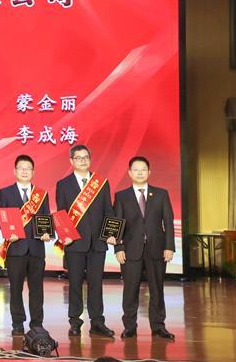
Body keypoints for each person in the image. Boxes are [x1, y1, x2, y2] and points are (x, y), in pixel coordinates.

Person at [55, 144, 116, 338]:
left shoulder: (101, 183)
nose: (83, 161)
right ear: (71, 161)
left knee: (96, 284)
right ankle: (75, 322)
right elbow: (61, 213)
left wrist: (110, 234)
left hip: (98, 243)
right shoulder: (63, 184)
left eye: (86, 157)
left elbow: (108, 211)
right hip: (74, 243)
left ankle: (97, 322)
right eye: (78, 158)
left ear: (90, 159)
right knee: (74, 284)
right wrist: (64, 235)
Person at [114, 156, 176, 340]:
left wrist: (169, 246)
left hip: (157, 249)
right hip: (130, 250)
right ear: (129, 173)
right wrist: (118, 248)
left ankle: (158, 327)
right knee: (130, 290)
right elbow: (117, 224)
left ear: (149, 172)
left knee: (157, 289)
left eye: (143, 169)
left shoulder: (161, 194)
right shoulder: (121, 196)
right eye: (136, 170)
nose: (140, 173)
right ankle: (129, 327)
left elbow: (168, 222)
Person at [0, 154, 51, 336]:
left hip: (36, 248)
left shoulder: (41, 194)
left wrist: (47, 233)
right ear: (15, 171)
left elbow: (46, 219)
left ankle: (37, 323)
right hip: (15, 248)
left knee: (37, 290)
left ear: (33, 172)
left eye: (28, 168)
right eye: (21, 168)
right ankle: (17, 323)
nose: (25, 171)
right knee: (15, 289)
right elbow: (1, 218)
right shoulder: (5, 193)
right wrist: (7, 232)